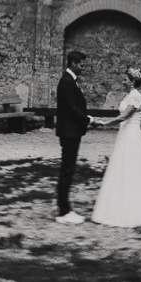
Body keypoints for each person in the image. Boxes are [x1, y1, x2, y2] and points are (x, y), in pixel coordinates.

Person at [89, 67, 141, 227]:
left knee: (132, 169)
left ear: (132, 82)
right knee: (121, 168)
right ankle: (119, 202)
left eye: (125, 80)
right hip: (124, 135)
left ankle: (135, 209)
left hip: (132, 136)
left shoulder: (136, 97)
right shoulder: (130, 95)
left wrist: (104, 123)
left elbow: (124, 116)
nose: (123, 82)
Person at [54, 49, 90, 224]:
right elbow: (72, 109)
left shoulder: (71, 81)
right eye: (81, 65)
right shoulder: (67, 82)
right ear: (74, 64)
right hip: (69, 132)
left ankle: (65, 207)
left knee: (68, 169)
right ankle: (63, 211)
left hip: (72, 131)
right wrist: (87, 120)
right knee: (67, 170)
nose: (83, 68)